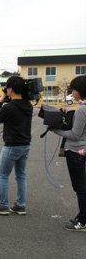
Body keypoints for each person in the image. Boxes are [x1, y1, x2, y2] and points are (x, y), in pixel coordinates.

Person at [0, 76, 33, 216]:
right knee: (21, 176)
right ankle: (20, 205)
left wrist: (0, 101)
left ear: (10, 89)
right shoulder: (28, 105)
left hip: (12, 146)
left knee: (3, 176)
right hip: (25, 145)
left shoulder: (10, 107)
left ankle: (3, 205)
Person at [51, 75, 86, 231]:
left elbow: (74, 134)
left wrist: (55, 130)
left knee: (80, 188)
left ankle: (82, 221)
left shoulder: (82, 110)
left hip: (76, 151)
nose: (73, 92)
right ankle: (82, 216)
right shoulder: (82, 107)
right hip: (83, 150)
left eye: (74, 89)